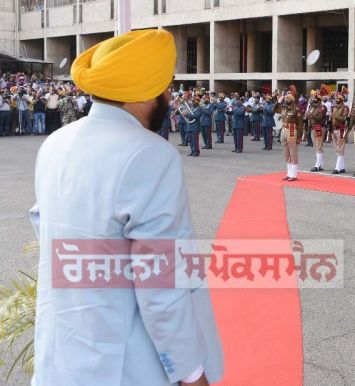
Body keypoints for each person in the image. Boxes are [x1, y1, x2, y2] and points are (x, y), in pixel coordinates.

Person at [30, 29, 222, 385]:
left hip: (60, 355)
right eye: (167, 87)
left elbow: (45, 227)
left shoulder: (55, 143)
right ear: (147, 90)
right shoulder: (150, 154)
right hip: (125, 365)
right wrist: (191, 372)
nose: (170, 97)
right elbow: (162, 284)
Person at [275, 86, 303, 180]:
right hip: (284, 129)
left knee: (293, 152)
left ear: (292, 99)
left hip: (291, 129)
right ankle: (289, 173)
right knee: (286, 152)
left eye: (287, 98)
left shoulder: (296, 109)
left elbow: (300, 124)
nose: (286, 99)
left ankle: (294, 174)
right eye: (285, 98)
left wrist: (299, 137)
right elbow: (274, 109)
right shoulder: (283, 108)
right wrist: (279, 100)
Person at [306, 85, 330, 172]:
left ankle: (318, 165)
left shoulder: (322, 107)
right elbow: (307, 115)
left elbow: (319, 117)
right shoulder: (313, 107)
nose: (313, 100)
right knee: (316, 146)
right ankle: (321, 164)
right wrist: (309, 114)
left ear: (319, 99)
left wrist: (311, 115)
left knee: (318, 146)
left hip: (319, 127)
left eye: (315, 98)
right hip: (313, 127)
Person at [330, 87, 350, 174]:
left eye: (337, 98)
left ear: (341, 99)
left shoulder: (345, 108)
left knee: (340, 148)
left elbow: (344, 119)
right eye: (335, 98)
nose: (336, 100)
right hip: (334, 128)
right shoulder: (334, 107)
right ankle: (342, 167)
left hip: (341, 129)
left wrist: (335, 115)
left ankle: (337, 168)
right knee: (337, 148)